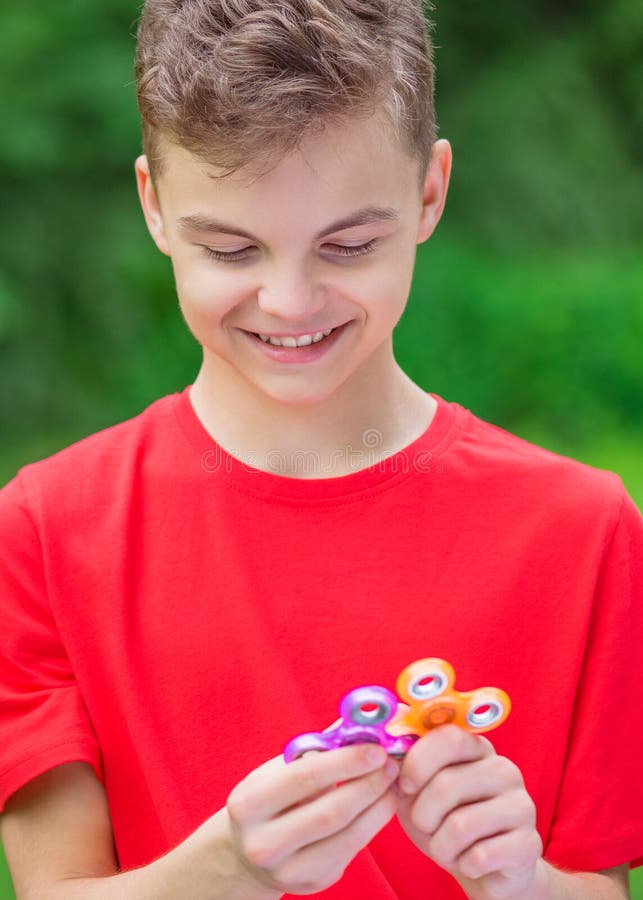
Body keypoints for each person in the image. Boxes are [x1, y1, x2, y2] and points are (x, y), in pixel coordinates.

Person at [0, 1, 641, 898]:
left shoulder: (581, 531)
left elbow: (597, 886)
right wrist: (224, 867)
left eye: (348, 244)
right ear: (153, 203)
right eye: (229, 248)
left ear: (428, 192)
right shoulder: (45, 529)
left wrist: (522, 881)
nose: (291, 302)